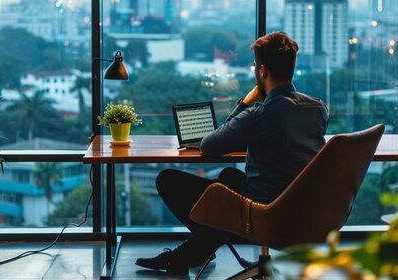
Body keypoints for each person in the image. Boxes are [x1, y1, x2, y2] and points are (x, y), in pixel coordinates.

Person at [135, 32, 329, 275]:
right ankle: (198, 249)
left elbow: (209, 145)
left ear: (263, 71)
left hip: (265, 214)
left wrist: (245, 104)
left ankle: (185, 256)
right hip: (307, 210)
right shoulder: (318, 108)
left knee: (168, 180)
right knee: (228, 176)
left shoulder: (258, 114)